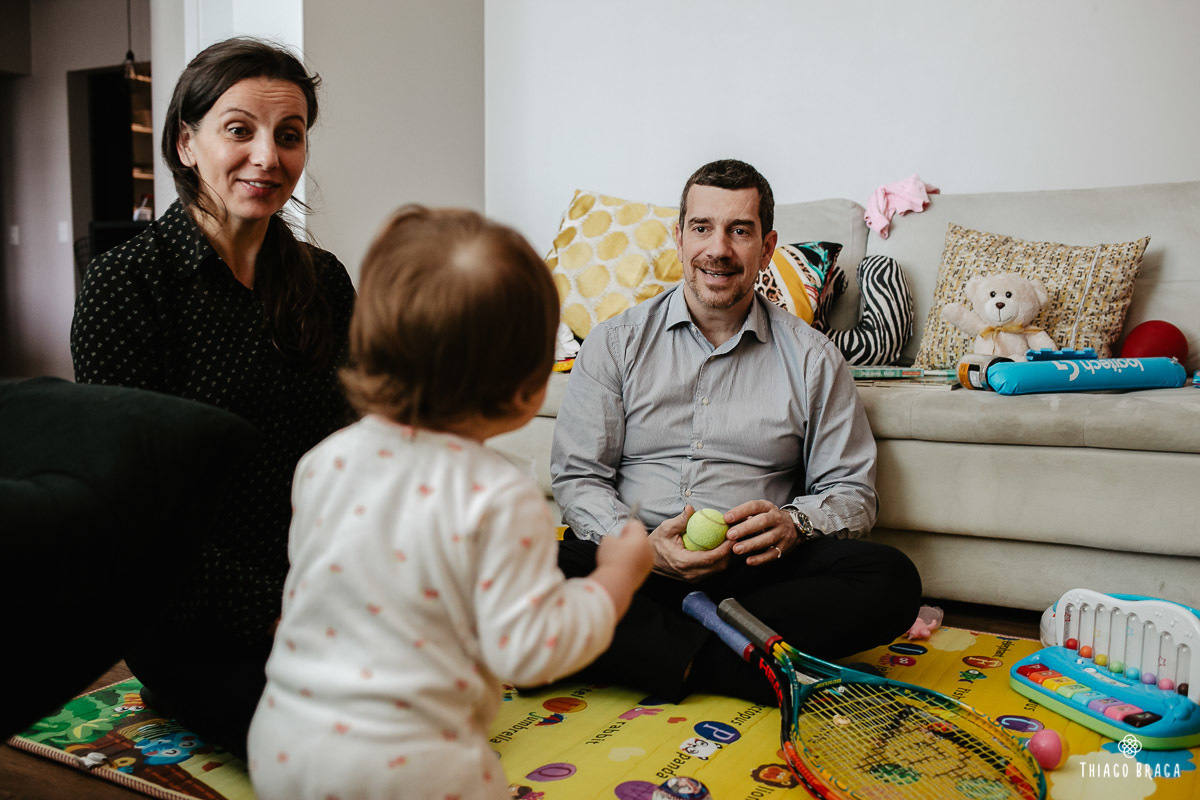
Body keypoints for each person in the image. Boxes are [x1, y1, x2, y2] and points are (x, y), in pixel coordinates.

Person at [246, 206, 653, 800]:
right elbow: (531, 651)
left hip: (284, 740)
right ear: (528, 387)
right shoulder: (500, 496)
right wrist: (615, 577)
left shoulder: (324, 460)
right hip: (413, 766)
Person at [70, 37, 356, 756]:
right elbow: (135, 515)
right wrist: (279, 615)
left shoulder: (324, 280)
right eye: (239, 130)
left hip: (324, 586)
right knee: (344, 749)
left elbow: (357, 451)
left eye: (289, 135)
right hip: (193, 609)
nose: (267, 156)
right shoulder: (125, 287)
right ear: (185, 143)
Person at [550, 159, 922, 703]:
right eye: (702, 228)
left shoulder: (814, 358)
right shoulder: (615, 343)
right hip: (636, 563)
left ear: (767, 248)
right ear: (679, 238)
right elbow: (579, 477)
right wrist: (643, 550)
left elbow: (853, 494)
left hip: (754, 576)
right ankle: (742, 664)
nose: (718, 249)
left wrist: (794, 523)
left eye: (739, 231)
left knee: (891, 578)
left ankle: (658, 652)